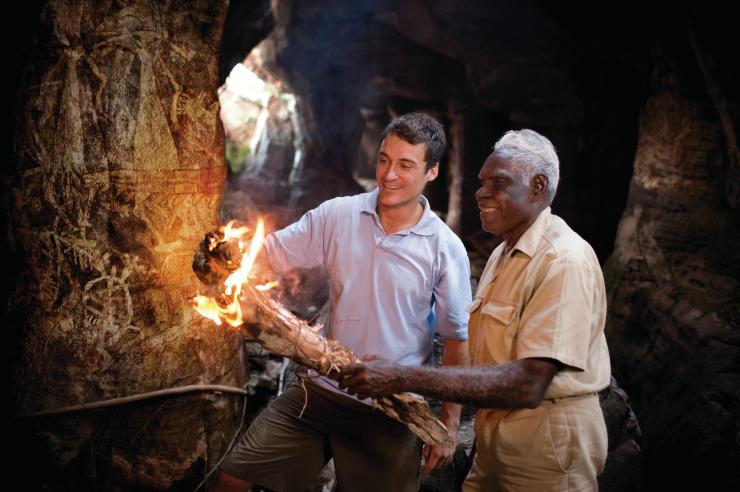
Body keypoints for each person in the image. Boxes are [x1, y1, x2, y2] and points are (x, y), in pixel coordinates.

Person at [212, 112, 471, 492]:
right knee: (233, 478)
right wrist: (221, 256)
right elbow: (269, 254)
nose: (389, 174)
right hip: (319, 390)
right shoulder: (339, 214)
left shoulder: (445, 248)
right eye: (384, 159)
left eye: (405, 165)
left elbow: (455, 339)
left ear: (431, 172)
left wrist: (447, 423)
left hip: (390, 408)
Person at [340, 129, 611, 491]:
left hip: (548, 443)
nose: (482, 192)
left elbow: (529, 384)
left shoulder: (563, 260)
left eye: (499, 183)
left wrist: (401, 376)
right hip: (496, 439)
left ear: (538, 186)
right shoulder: (503, 254)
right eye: (482, 182)